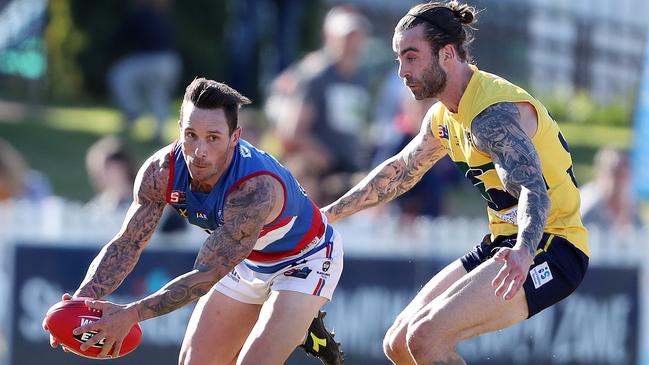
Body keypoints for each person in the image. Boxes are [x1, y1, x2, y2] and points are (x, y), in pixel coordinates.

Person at [321, 2, 589, 364]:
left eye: (412, 57)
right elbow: (400, 171)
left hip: (550, 245)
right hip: (504, 244)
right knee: (398, 343)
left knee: (425, 338)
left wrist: (525, 251)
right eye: (399, 58)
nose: (402, 71)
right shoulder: (443, 116)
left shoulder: (492, 112)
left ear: (447, 54)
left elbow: (531, 189)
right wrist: (327, 215)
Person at [43, 78, 344, 365]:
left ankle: (302, 320)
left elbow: (205, 274)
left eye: (213, 138)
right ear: (179, 130)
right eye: (191, 135)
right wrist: (81, 302)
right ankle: (301, 324)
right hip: (246, 257)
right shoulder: (160, 171)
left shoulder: (254, 188)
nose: (199, 152)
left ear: (235, 137)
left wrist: (131, 314)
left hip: (304, 260)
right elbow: (128, 243)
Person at [267, 5, 372, 205]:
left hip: (350, 167)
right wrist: (326, 158)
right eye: (346, 37)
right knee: (306, 185)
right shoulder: (315, 76)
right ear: (329, 37)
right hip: (318, 169)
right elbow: (291, 133)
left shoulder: (361, 78)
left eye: (356, 37)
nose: (351, 44)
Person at [107, 0, 182, 145]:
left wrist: (111, 50)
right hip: (172, 62)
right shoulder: (163, 16)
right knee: (157, 94)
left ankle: (132, 111)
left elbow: (120, 37)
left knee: (119, 75)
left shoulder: (141, 14)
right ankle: (159, 132)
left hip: (153, 60)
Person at [580, 147, 643, 231]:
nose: (621, 182)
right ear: (600, 174)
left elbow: (641, 236)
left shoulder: (631, 204)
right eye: (616, 173)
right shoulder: (586, 204)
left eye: (625, 174)